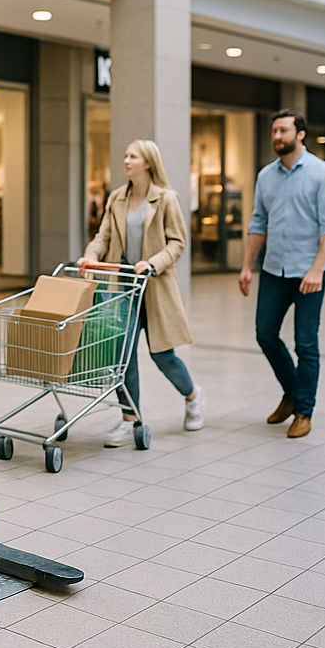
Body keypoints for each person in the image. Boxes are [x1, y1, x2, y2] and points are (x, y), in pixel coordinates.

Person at [80, 139, 205, 446]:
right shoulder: (117, 198)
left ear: (147, 163)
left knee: (163, 355)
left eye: (132, 156)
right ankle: (129, 418)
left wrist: (152, 263)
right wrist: (90, 256)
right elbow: (103, 236)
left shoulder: (166, 198)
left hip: (155, 286)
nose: (126, 160)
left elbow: (177, 242)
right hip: (124, 289)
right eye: (125, 155)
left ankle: (193, 396)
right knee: (122, 354)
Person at [238, 109, 325, 439]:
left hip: (310, 273)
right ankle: (293, 391)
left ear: (300, 134)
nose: (276, 137)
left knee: (305, 343)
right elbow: (258, 224)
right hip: (274, 270)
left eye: (283, 131)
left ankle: (303, 412)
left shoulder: (322, 173)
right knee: (265, 333)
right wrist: (246, 266)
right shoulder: (265, 176)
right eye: (274, 131)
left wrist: (316, 269)